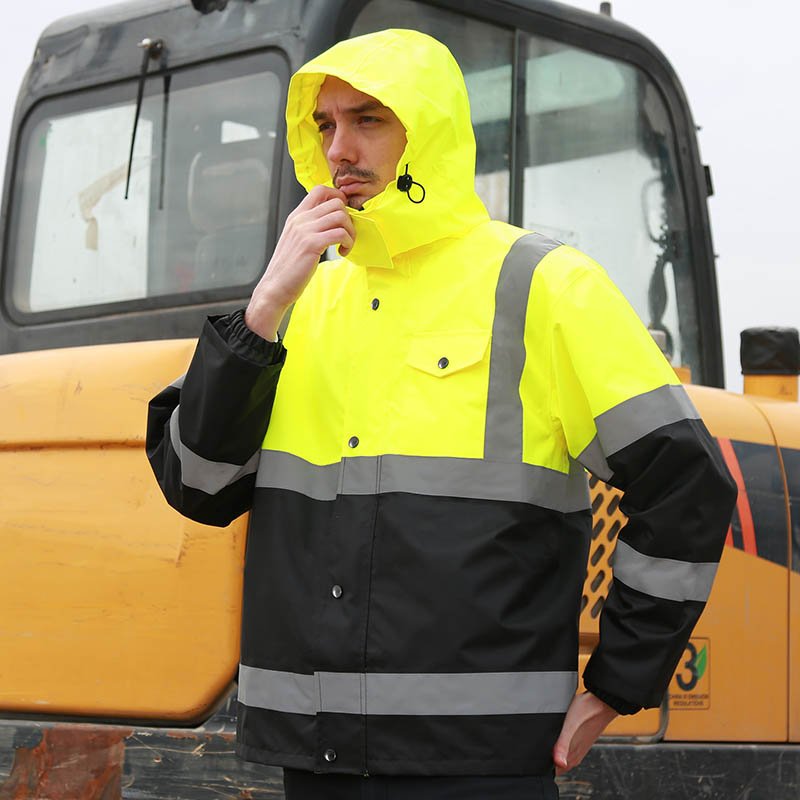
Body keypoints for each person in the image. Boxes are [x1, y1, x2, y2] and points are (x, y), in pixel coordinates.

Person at [146, 28, 737, 799]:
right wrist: (259, 311)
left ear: (426, 130)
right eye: (324, 125)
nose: (339, 150)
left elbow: (686, 485)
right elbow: (197, 486)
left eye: (368, 120)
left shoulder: (544, 286)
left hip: (479, 766)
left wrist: (619, 681)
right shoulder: (296, 304)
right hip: (316, 764)